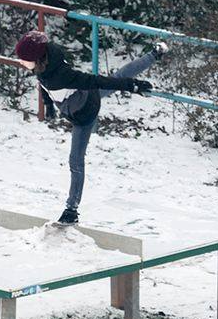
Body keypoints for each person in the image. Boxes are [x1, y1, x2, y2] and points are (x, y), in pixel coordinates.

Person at [14, 30, 166, 224]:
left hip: (84, 113)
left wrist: (132, 86)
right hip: (78, 102)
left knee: (75, 160)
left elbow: (95, 81)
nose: (20, 62)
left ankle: (71, 210)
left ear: (36, 58)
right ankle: (154, 54)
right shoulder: (45, 64)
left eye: (23, 59)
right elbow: (40, 82)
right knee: (118, 75)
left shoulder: (61, 75)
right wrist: (49, 104)